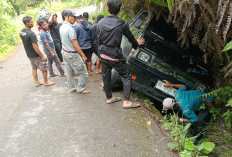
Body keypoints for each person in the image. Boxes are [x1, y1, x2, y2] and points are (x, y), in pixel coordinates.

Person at [97, 0, 145, 108]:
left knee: (106, 76)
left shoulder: (100, 23)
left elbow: (98, 40)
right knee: (126, 74)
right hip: (115, 55)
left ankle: (109, 98)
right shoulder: (122, 24)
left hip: (103, 53)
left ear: (108, 8)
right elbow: (130, 37)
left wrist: (100, 52)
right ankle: (126, 101)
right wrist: (136, 44)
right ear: (119, 10)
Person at [59, 9, 90, 94]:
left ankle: (72, 88)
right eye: (73, 17)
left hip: (65, 52)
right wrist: (83, 55)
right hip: (72, 54)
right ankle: (81, 88)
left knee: (69, 72)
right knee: (82, 71)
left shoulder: (62, 27)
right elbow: (75, 43)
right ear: (68, 17)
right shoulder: (70, 29)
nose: (75, 19)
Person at [20, 16, 54, 86]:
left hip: (29, 54)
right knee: (44, 67)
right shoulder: (31, 34)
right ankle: (46, 81)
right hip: (35, 55)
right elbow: (35, 46)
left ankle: (37, 82)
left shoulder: (22, 32)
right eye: (31, 22)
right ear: (27, 24)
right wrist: (42, 56)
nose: (33, 23)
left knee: (34, 67)